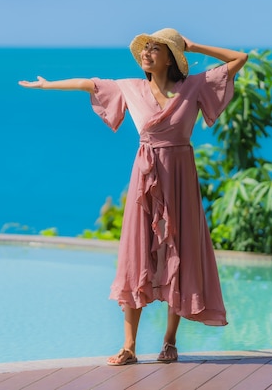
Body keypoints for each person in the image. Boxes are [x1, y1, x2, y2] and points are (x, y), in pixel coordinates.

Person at [18, 28, 248, 365]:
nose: (146, 54)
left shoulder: (194, 86)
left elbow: (239, 59)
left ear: (171, 57)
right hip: (145, 181)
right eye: (145, 49)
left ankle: (169, 342)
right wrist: (47, 85)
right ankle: (128, 346)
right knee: (137, 255)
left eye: (155, 49)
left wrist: (193, 45)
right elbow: (89, 84)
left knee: (180, 255)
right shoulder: (131, 87)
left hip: (181, 179)